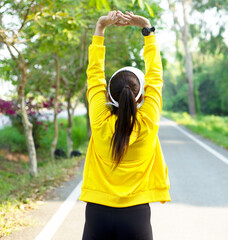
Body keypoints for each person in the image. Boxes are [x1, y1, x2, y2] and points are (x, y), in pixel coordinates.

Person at [80, 10, 171, 240]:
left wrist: (100, 28)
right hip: (136, 215)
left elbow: (94, 75)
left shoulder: (99, 120)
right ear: (140, 97)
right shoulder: (148, 122)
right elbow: (155, 76)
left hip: (97, 213)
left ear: (109, 95)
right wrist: (147, 30)